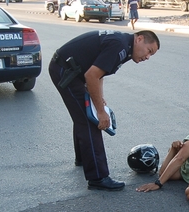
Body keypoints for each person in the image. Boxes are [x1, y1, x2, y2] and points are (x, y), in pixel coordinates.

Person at [48, 30, 160, 191]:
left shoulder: (125, 46)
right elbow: (92, 76)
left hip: (72, 68)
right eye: (149, 51)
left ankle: (83, 159)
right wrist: (101, 112)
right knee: (90, 121)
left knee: (84, 113)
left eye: (151, 55)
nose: (147, 57)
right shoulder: (120, 45)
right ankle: (98, 177)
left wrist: (99, 99)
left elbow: (99, 74)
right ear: (139, 39)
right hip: (65, 70)